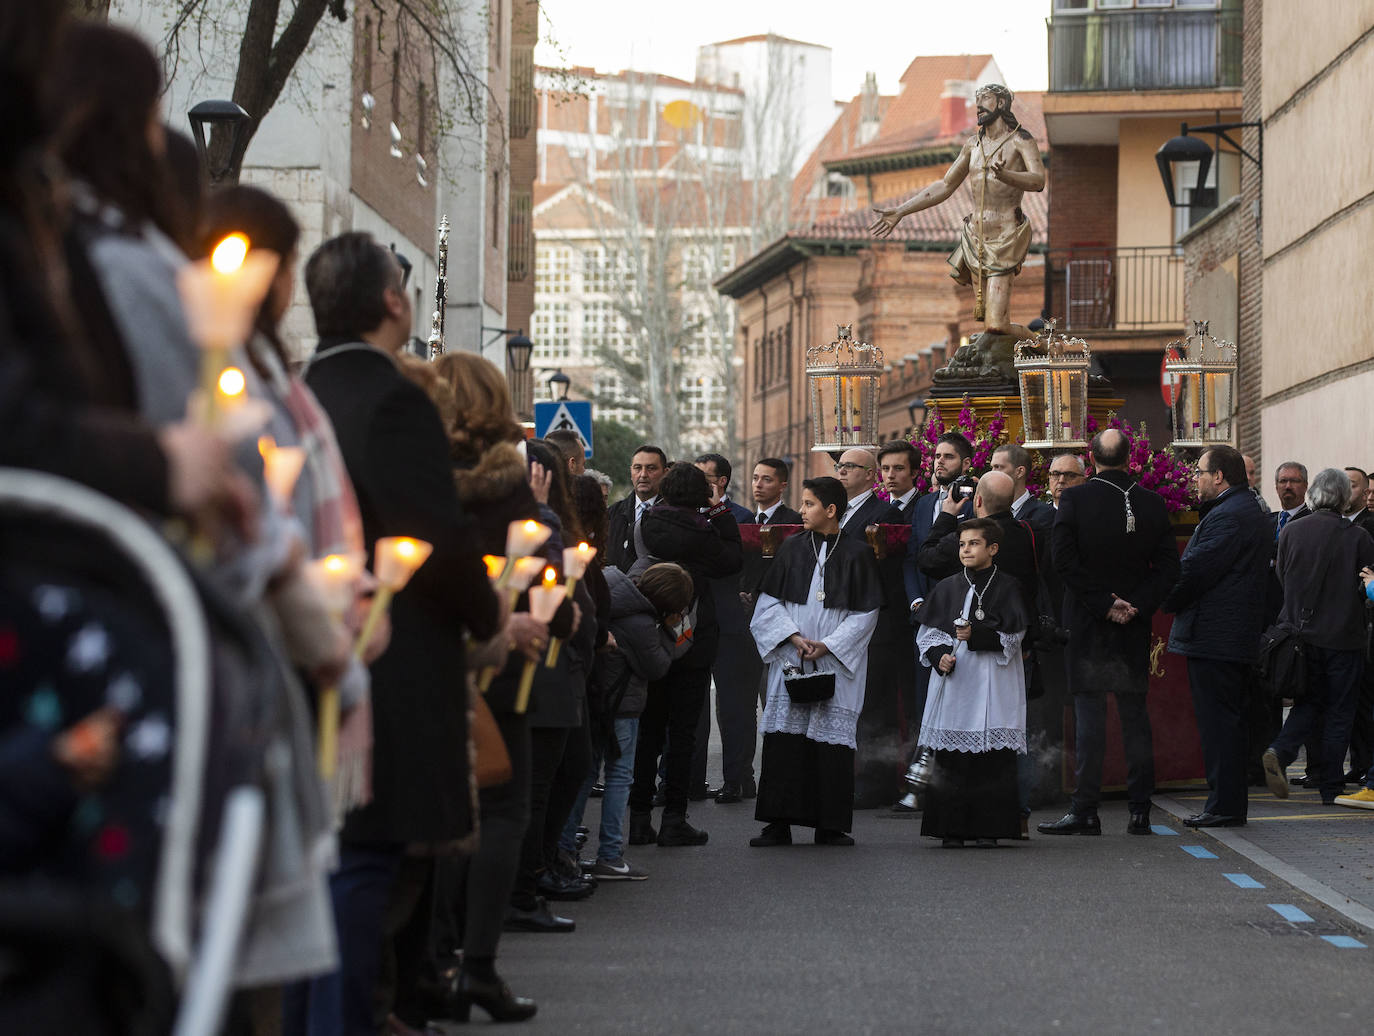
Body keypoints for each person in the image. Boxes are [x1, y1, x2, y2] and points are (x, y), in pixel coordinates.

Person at [288, 232, 503, 1036]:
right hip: (393, 657)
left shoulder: (299, 391)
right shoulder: (394, 399)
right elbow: (435, 538)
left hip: (309, 651)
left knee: (330, 868)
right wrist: (490, 616)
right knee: (366, 866)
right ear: (391, 302)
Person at [1040, 428, 1179, 837]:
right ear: (1130, 457)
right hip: (1132, 625)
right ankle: (1140, 811)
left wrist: (1105, 603)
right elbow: (1170, 569)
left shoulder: (1076, 499)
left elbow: (1063, 562)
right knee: (1135, 717)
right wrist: (1134, 606)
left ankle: (1085, 810)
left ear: (1092, 458)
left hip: (1088, 623)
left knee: (1090, 719)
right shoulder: (1151, 502)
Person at [749, 476, 883, 846]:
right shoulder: (791, 549)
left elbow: (866, 612)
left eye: (808, 504)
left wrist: (829, 646)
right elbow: (768, 603)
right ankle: (778, 824)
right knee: (784, 742)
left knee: (831, 747)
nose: (802, 510)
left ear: (831, 510)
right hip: (793, 655)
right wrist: (793, 638)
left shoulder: (857, 553)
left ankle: (830, 825)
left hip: (836, 661)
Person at [871, 83, 1045, 358]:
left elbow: (1038, 180)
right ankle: (998, 350)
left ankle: (1039, 343)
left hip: (1006, 235)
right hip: (975, 238)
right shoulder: (972, 146)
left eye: (985, 99)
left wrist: (1008, 176)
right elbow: (944, 185)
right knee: (989, 326)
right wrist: (901, 211)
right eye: (977, 100)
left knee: (997, 324)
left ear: (1001, 104)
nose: (979, 106)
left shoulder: (1020, 140)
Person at [627, 463, 741, 846]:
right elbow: (731, 561)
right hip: (693, 633)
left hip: (650, 630)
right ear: (700, 495)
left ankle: (639, 817)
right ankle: (675, 817)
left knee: (649, 729)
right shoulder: (703, 530)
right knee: (683, 732)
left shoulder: (648, 522)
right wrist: (721, 512)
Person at [562, 562, 695, 878]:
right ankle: (609, 853)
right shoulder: (641, 624)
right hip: (621, 706)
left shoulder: (611, 587)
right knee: (620, 777)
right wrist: (676, 631)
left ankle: (564, 847)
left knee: (586, 772)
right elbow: (658, 665)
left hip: (593, 698)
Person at [1162, 446, 1270, 828]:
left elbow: (1193, 570)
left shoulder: (1230, 515)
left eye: (1200, 473)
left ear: (1219, 476)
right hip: (1225, 636)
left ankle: (1224, 806)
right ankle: (1225, 803)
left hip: (1216, 637)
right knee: (1226, 723)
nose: (1196, 479)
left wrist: (1165, 598)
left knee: (1219, 724)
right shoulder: (1244, 508)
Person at [914, 518, 1030, 847]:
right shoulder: (948, 586)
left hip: (993, 678)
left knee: (991, 758)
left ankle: (989, 829)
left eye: (974, 544)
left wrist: (977, 635)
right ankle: (950, 829)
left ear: (992, 549)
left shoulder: (1008, 586)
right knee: (952, 756)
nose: (966, 550)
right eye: (963, 544)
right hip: (956, 681)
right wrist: (938, 656)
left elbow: (1015, 635)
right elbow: (928, 634)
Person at [1261, 468, 1374, 806]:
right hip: (1344, 638)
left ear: (1313, 495)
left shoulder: (1292, 532)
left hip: (1300, 636)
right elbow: (1366, 588)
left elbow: (1282, 576)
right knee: (1340, 711)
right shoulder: (1358, 537)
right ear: (1342, 497)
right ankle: (1330, 786)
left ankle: (1279, 750)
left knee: (1309, 703)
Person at [694, 453, 760, 803]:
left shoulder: (741, 518)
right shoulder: (685, 514)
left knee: (734, 706)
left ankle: (738, 778)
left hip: (731, 621)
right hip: (694, 619)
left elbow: (745, 565)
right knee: (694, 704)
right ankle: (691, 779)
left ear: (722, 481)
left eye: (707, 477)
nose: (700, 483)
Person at [606, 445, 667, 571]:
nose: (643, 474)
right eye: (637, 468)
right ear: (631, 472)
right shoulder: (613, 514)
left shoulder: (674, 514)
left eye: (651, 468)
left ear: (665, 473)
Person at [834, 447, 891, 539]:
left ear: (868, 474)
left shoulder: (885, 513)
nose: (841, 471)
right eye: (839, 466)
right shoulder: (831, 508)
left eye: (849, 466)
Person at [993, 443, 1054, 527]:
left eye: (998, 467)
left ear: (1020, 472)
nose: (992, 473)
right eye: (992, 467)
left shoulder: (1044, 514)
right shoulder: (989, 509)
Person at [751, 458, 803, 525]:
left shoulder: (794, 522)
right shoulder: (746, 520)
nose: (758, 485)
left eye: (767, 479)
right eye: (755, 478)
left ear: (782, 486)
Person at [877, 442, 921, 517]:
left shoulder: (926, 508)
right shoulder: (875, 509)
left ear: (914, 473)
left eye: (898, 468)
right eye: (885, 468)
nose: (890, 475)